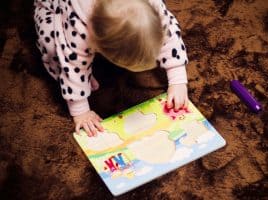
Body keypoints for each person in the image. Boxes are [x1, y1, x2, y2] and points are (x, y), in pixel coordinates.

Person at [34, 0, 189, 136]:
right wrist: (81, 112)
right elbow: (71, 66)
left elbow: (169, 34)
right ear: (99, 45)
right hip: (54, 6)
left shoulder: (153, 6)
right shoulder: (79, 29)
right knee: (53, 48)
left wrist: (178, 79)